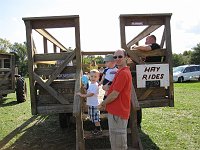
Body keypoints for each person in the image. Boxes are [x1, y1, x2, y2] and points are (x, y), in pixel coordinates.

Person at [98, 49, 132, 150]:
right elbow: (117, 88)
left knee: (118, 144)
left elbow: (114, 95)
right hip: (116, 112)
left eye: (120, 56)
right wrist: (108, 87)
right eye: (115, 57)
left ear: (126, 58)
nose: (117, 59)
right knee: (115, 141)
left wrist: (103, 103)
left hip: (118, 113)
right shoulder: (120, 71)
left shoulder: (123, 73)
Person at [77, 69, 102, 135]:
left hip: (95, 105)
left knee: (96, 119)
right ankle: (96, 129)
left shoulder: (95, 85)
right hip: (91, 104)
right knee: (93, 118)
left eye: (95, 77)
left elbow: (91, 94)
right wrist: (85, 89)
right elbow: (88, 92)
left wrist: (82, 95)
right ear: (89, 77)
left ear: (98, 77)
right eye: (92, 76)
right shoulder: (91, 84)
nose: (93, 78)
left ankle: (99, 130)